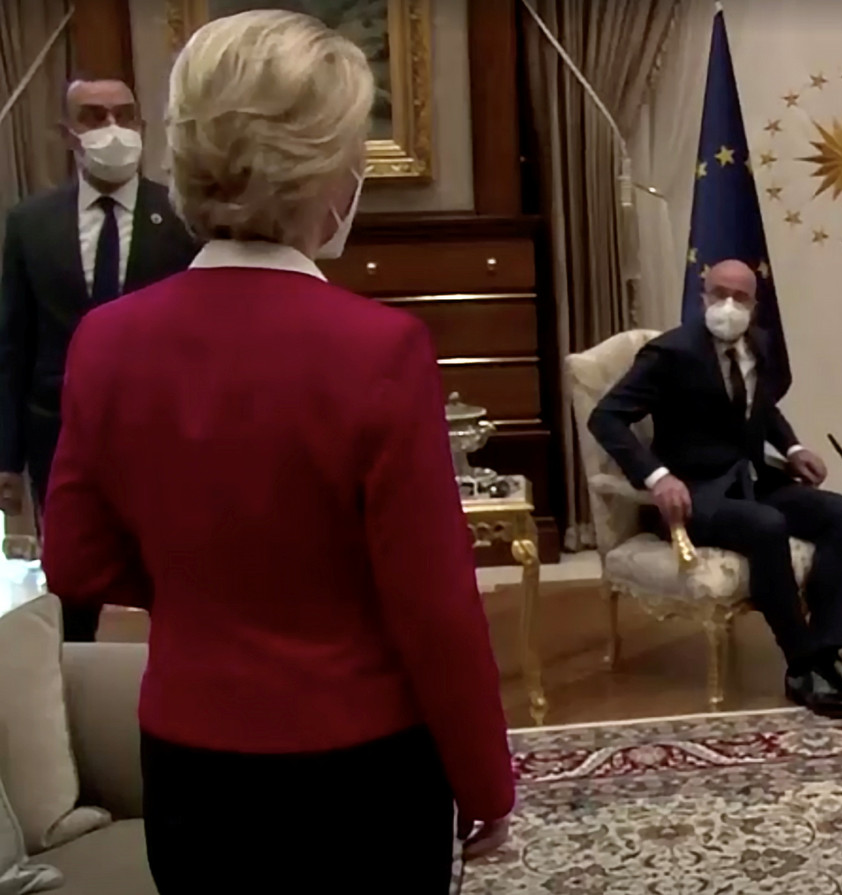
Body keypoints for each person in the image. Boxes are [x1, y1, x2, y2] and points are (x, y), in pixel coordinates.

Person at [39, 12, 513, 892]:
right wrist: (486, 782)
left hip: (189, 757)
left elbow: (75, 561)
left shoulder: (105, 341)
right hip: (359, 765)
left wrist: (205, 583)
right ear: (324, 173)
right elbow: (434, 608)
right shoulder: (379, 350)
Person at [589, 259, 842, 718]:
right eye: (719, 293)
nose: (728, 305)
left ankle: (831, 654)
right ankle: (801, 664)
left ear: (754, 304)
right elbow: (606, 417)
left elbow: (761, 406)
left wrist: (792, 448)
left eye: (740, 296)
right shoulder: (670, 353)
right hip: (694, 494)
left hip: (749, 480)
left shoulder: (759, 345)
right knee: (766, 525)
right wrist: (657, 476)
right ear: (703, 296)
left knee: (839, 513)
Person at [0, 75, 198, 642]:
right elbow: (13, 343)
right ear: (68, 133)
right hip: (60, 430)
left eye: (123, 114)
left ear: (141, 125)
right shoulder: (30, 223)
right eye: (93, 116)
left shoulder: (183, 218)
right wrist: (7, 458)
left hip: (162, 429)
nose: (111, 128)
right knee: (72, 576)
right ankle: (70, 676)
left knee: (172, 571)